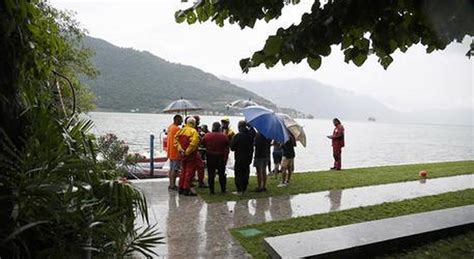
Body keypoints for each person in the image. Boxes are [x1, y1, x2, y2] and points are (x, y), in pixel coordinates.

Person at [174, 117, 200, 196]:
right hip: (190, 155)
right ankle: (186, 188)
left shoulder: (181, 130)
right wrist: (187, 152)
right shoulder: (193, 131)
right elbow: (193, 143)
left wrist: (180, 149)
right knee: (189, 171)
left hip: (182, 154)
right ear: (194, 123)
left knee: (183, 171)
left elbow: (175, 140)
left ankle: (180, 187)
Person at [202, 122, 229, 194]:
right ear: (219, 128)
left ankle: (212, 190)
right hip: (220, 157)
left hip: (210, 157)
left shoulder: (207, 135)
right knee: (222, 174)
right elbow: (227, 146)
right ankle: (223, 189)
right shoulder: (224, 136)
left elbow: (203, 143)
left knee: (211, 174)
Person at [230, 121, 254, 194]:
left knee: (238, 173)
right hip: (248, 157)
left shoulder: (238, 136)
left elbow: (232, 148)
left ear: (240, 127)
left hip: (239, 157)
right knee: (246, 173)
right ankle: (244, 188)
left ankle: (239, 189)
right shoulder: (250, 135)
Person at [166, 114, 183, 191]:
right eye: (180, 120)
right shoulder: (176, 129)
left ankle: (171, 184)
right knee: (175, 169)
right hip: (175, 151)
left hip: (170, 151)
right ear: (176, 120)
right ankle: (173, 185)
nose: (182, 121)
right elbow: (181, 139)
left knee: (171, 168)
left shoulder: (170, 127)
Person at [193, 115, 208, 188]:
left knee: (193, 167)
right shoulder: (193, 130)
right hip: (194, 150)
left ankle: (193, 180)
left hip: (194, 150)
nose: (199, 122)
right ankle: (201, 182)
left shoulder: (197, 129)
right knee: (201, 166)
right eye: (198, 120)